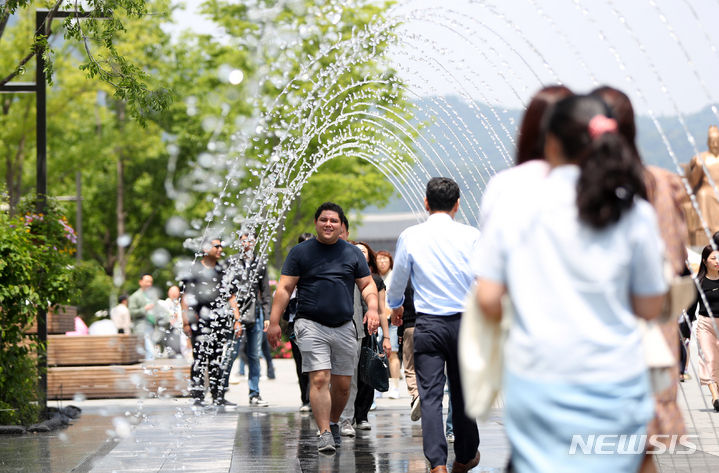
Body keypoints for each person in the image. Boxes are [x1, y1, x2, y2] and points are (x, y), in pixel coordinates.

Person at [476, 94, 666, 473]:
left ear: (550, 142)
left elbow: (488, 298)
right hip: (618, 380)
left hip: (539, 375)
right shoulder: (633, 211)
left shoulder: (516, 204)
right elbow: (650, 306)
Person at [592, 85, 687, 471]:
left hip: (587, 338)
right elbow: (674, 262)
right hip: (647, 337)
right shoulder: (659, 184)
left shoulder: (569, 189)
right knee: (642, 451)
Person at [267, 202, 379, 454]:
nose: (329, 224)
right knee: (319, 378)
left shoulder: (351, 254)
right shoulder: (300, 252)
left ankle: (334, 422)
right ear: (316, 223)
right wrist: (274, 322)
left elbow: (368, 286)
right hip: (310, 324)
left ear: (341, 227)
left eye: (334, 221)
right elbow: (284, 289)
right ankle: (324, 432)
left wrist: (372, 308)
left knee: (342, 386)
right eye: (324, 220)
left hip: (344, 326)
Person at [387, 177, 481, 473]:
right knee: (464, 394)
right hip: (465, 325)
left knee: (430, 396)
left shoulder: (411, 235)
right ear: (457, 204)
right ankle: (465, 456)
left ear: (426, 203)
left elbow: (399, 277)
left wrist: (395, 306)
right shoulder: (472, 235)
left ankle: (437, 463)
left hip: (428, 326)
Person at [181, 238, 238, 407]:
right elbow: (185, 297)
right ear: (206, 249)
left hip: (219, 321)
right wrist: (186, 321)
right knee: (200, 358)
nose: (221, 249)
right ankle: (198, 397)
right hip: (199, 322)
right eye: (217, 246)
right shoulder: (194, 270)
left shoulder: (223, 270)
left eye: (222, 245)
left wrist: (237, 319)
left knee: (217, 358)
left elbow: (231, 296)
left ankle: (218, 396)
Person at [346, 241, 391, 435]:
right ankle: (347, 416)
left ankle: (362, 415)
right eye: (356, 250)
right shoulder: (345, 276)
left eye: (363, 251)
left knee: (367, 373)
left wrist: (386, 337)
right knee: (349, 375)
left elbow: (381, 311)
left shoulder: (375, 280)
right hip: (349, 329)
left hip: (370, 331)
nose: (359, 253)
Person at [224, 232, 272, 407]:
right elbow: (227, 291)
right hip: (235, 314)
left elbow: (265, 291)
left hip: (255, 313)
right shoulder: (232, 262)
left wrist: (267, 316)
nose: (247, 243)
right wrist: (235, 317)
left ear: (255, 241)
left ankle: (254, 393)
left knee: (254, 355)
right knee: (231, 352)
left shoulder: (260, 263)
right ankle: (220, 391)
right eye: (244, 240)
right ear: (239, 242)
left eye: (251, 239)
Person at [284, 232, 314, 413]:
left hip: (317, 321)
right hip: (295, 323)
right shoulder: (292, 267)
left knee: (318, 362)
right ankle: (306, 398)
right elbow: (283, 293)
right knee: (301, 363)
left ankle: (316, 398)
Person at [687, 245, 719, 411]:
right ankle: (715, 397)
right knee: (708, 359)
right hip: (706, 324)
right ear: (705, 260)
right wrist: (686, 332)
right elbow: (691, 308)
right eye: (713, 258)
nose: (717, 262)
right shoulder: (698, 282)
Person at [685, 125, 719, 245]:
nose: (714, 145)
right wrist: (694, 167)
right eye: (712, 142)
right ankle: (704, 233)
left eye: (717, 142)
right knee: (703, 195)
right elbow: (693, 182)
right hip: (706, 190)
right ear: (708, 143)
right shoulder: (702, 159)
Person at [376, 250, 401, 399]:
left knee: (393, 353)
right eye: (379, 259)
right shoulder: (373, 276)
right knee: (377, 354)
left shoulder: (394, 276)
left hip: (391, 319)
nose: (382, 262)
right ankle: (378, 385)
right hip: (376, 319)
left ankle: (395, 386)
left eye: (385, 259)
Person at [129, 273, 160, 360]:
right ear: (140, 282)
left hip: (153, 326)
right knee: (150, 351)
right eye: (147, 281)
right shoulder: (135, 296)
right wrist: (144, 309)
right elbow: (132, 312)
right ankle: (150, 368)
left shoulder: (153, 296)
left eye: (150, 282)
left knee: (151, 350)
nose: (149, 284)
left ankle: (150, 370)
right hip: (141, 327)